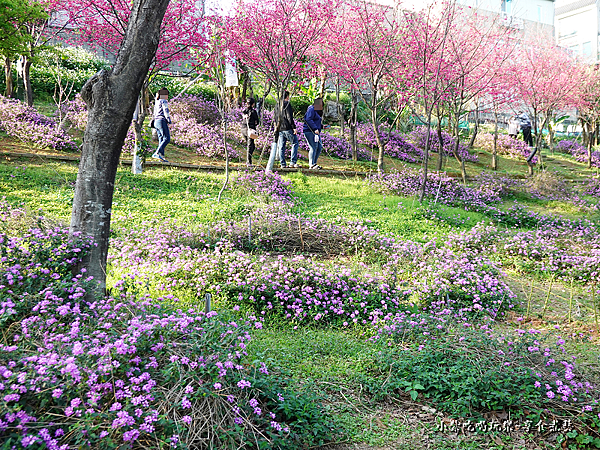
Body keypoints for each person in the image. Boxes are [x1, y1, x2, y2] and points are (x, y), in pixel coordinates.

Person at [277, 91, 299, 168]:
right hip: (287, 127)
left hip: (280, 128)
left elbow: (275, 117)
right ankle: (293, 162)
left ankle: (282, 164)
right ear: (287, 97)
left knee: (281, 146)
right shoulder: (287, 104)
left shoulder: (278, 105)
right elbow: (289, 117)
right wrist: (294, 128)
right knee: (295, 143)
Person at [303, 98, 324, 170]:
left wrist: (322, 126)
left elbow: (315, 121)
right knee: (313, 147)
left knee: (319, 147)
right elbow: (308, 119)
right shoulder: (311, 109)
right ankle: (311, 164)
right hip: (310, 131)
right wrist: (315, 128)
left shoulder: (316, 111)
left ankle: (314, 163)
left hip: (315, 132)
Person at [152, 88, 171, 162]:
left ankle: (161, 157)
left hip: (156, 121)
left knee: (161, 139)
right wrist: (169, 120)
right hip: (161, 120)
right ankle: (157, 153)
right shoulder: (163, 101)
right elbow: (166, 110)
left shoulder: (157, 101)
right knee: (167, 138)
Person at [241, 98, 259, 165]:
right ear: (253, 104)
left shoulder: (244, 111)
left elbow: (243, 115)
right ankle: (249, 162)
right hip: (249, 130)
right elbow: (257, 121)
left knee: (251, 145)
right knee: (250, 146)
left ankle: (249, 160)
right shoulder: (253, 112)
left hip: (243, 129)